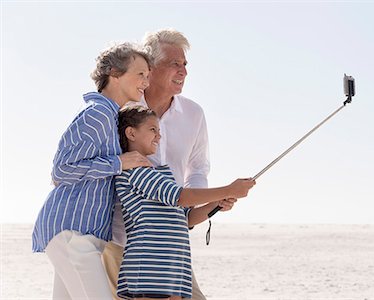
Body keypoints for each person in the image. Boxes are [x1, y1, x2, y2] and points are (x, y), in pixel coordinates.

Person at [32, 42, 153, 299]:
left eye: (148, 76)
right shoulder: (97, 114)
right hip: (72, 233)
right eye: (140, 73)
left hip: (82, 235)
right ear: (115, 73)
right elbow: (61, 171)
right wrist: (119, 162)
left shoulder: (110, 118)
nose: (146, 81)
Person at [102, 29, 217, 300]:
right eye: (174, 64)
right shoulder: (120, 111)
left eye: (185, 65)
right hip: (121, 240)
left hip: (171, 245)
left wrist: (199, 206)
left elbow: (198, 168)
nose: (183, 71)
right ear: (149, 69)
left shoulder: (193, 114)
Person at [115, 106, 255, 299]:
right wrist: (228, 190)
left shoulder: (157, 173)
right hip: (151, 266)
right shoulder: (135, 171)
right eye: (152, 130)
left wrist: (216, 203)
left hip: (173, 267)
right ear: (131, 133)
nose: (159, 136)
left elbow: (186, 218)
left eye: (159, 131)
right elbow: (179, 196)